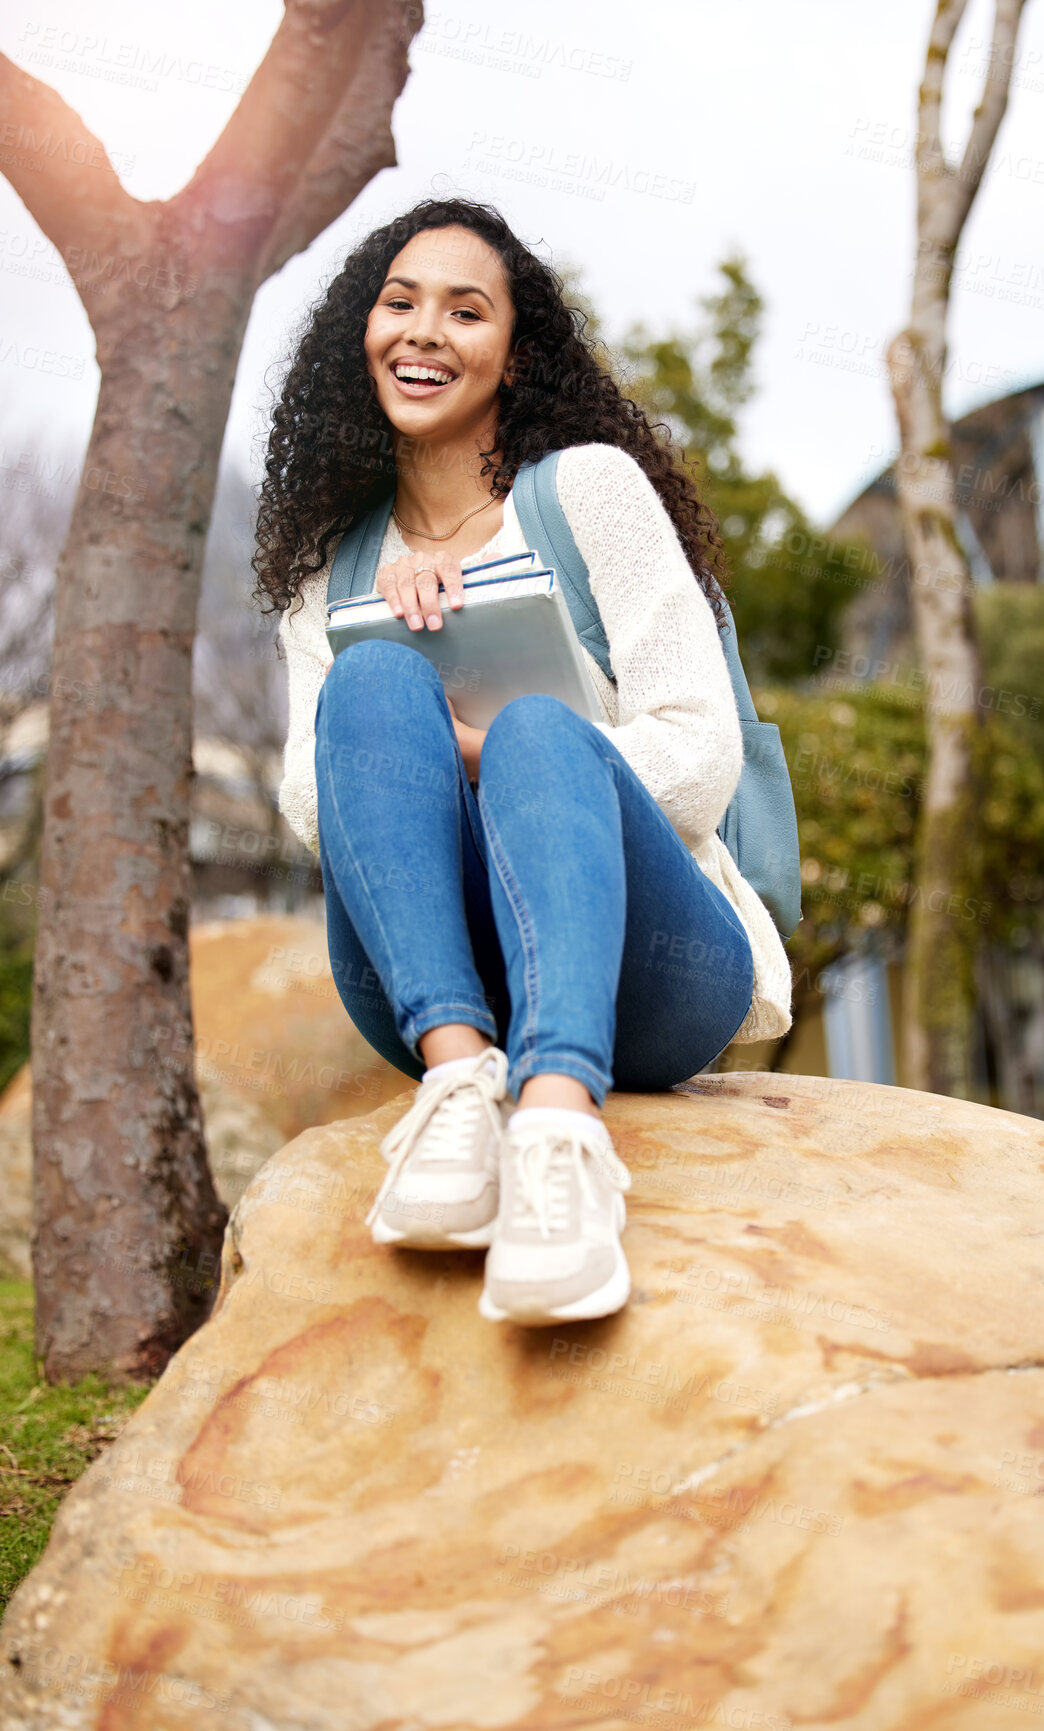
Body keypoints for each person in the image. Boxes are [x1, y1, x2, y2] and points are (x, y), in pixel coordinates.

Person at [253, 197, 792, 1327]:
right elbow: (310, 802)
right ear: (359, 330)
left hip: (650, 963)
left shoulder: (589, 491)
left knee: (544, 734)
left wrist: (491, 753)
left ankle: (558, 1135)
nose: (424, 332)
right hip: (435, 980)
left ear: (515, 353)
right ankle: (460, 1084)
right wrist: (397, 659)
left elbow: (698, 758)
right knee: (368, 683)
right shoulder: (327, 568)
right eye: (398, 303)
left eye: (465, 310)